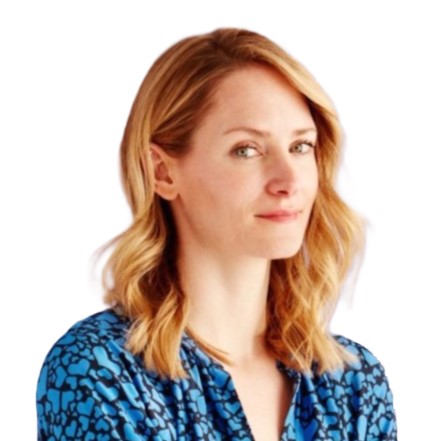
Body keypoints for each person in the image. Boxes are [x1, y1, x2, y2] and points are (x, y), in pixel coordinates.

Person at [36, 28, 397, 440]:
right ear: (162, 172)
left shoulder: (353, 384)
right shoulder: (99, 371)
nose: (289, 181)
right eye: (247, 150)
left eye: (300, 147)